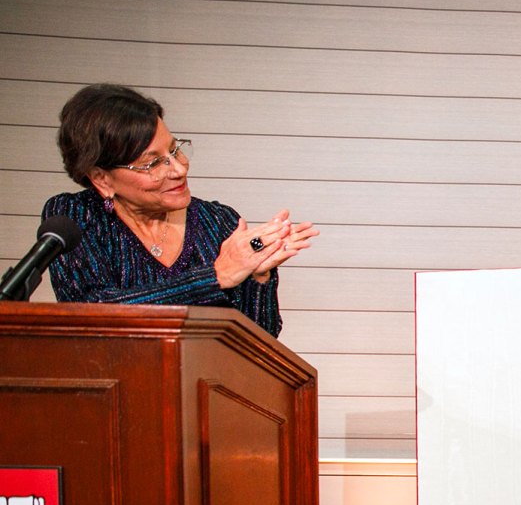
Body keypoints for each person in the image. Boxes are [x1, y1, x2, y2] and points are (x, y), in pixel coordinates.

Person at [41, 83, 317, 338]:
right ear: (101, 178)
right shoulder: (74, 217)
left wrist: (259, 274)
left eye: (175, 151)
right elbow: (93, 313)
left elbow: (261, 340)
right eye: (153, 164)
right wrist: (215, 277)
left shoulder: (219, 222)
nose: (179, 168)